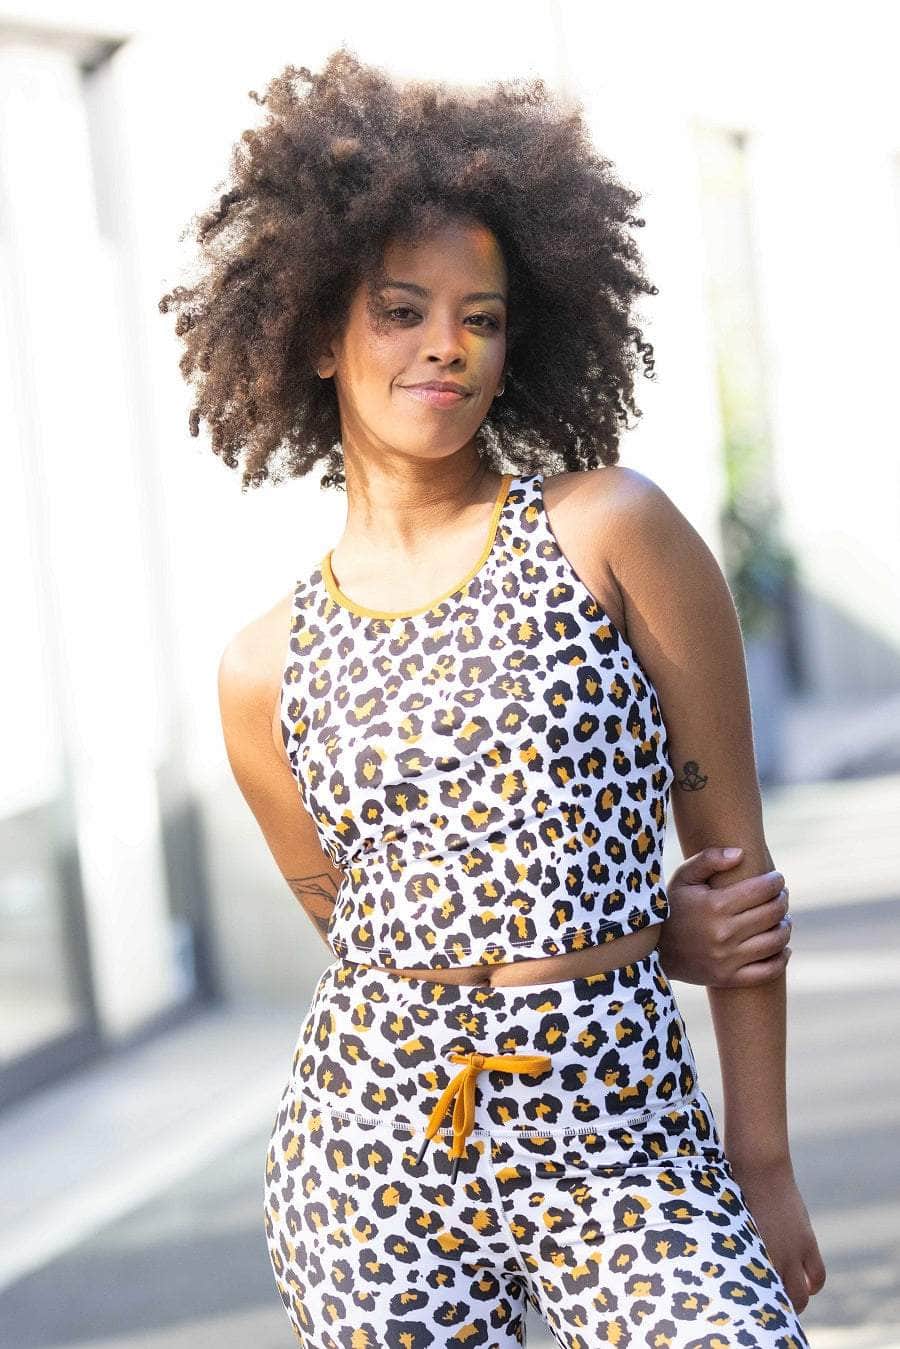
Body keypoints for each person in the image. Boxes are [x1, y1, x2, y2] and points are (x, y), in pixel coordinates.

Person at [161, 46, 825, 1348]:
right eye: (401, 310)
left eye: (483, 316)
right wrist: (643, 930)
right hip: (372, 1159)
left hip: (625, 1145)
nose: (447, 346)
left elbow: (737, 881)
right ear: (316, 335)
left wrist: (762, 1162)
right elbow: (362, 929)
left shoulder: (613, 531)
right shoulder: (261, 668)